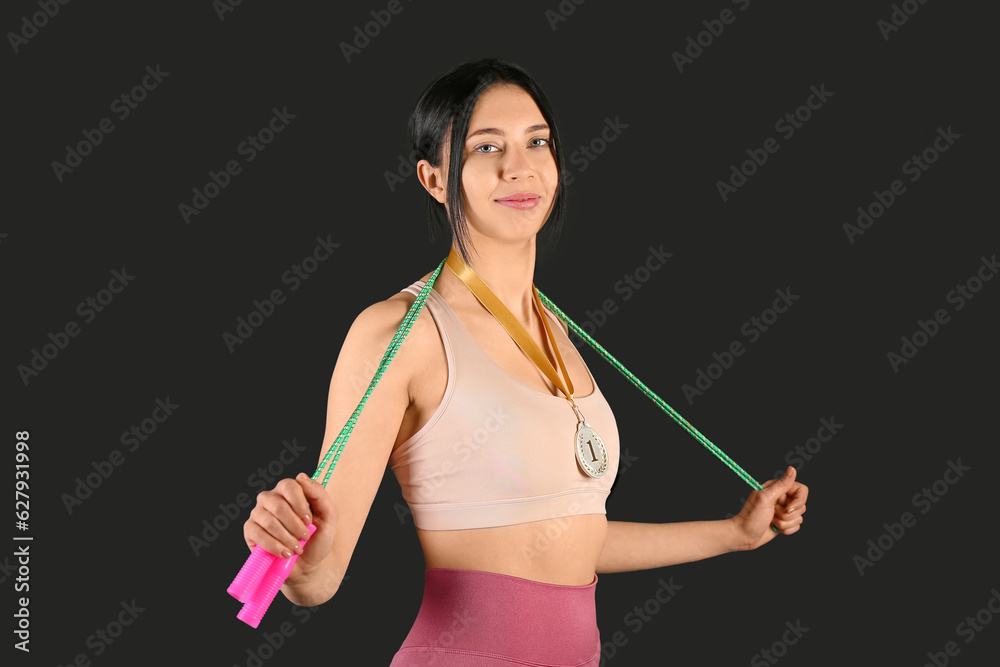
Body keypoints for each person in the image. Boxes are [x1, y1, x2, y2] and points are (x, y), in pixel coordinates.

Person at [242, 58, 809, 666]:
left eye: (536, 141)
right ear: (435, 179)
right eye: (486, 147)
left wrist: (734, 534)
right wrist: (295, 554)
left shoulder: (557, 331)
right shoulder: (397, 333)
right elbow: (318, 578)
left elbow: (569, 543)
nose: (520, 167)